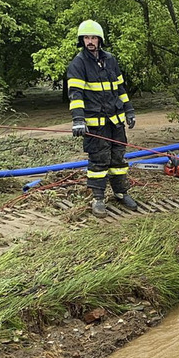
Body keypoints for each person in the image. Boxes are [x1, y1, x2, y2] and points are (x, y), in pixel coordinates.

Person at [67, 19, 138, 218]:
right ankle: (98, 199)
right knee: (99, 162)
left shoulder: (110, 60)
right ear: (82, 40)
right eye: (86, 38)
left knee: (118, 159)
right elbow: (75, 94)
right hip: (94, 125)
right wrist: (78, 120)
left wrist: (129, 110)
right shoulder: (78, 63)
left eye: (93, 37)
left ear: (100, 39)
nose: (90, 41)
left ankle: (121, 193)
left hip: (115, 122)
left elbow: (120, 88)